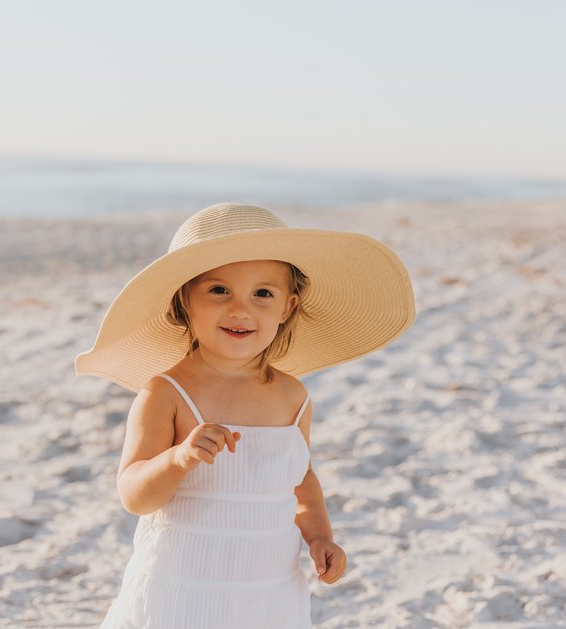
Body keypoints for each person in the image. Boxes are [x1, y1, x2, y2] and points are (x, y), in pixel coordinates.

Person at [75, 202, 416, 628]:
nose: (241, 309)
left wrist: (320, 537)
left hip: (266, 590)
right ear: (185, 299)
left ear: (288, 307)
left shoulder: (293, 396)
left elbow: (301, 480)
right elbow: (134, 495)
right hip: (183, 589)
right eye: (219, 290)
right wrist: (178, 458)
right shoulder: (167, 393)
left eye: (262, 293)